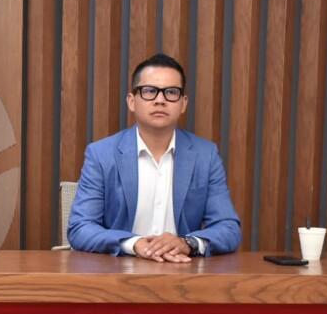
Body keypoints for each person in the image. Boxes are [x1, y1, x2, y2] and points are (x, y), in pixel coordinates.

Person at [67, 53, 241, 261]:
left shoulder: (206, 155)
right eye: (149, 91)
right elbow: (80, 228)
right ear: (132, 101)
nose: (160, 100)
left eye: (171, 92)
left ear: (183, 103)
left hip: (184, 270)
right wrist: (134, 244)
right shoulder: (101, 154)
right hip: (118, 270)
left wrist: (187, 243)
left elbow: (228, 228)